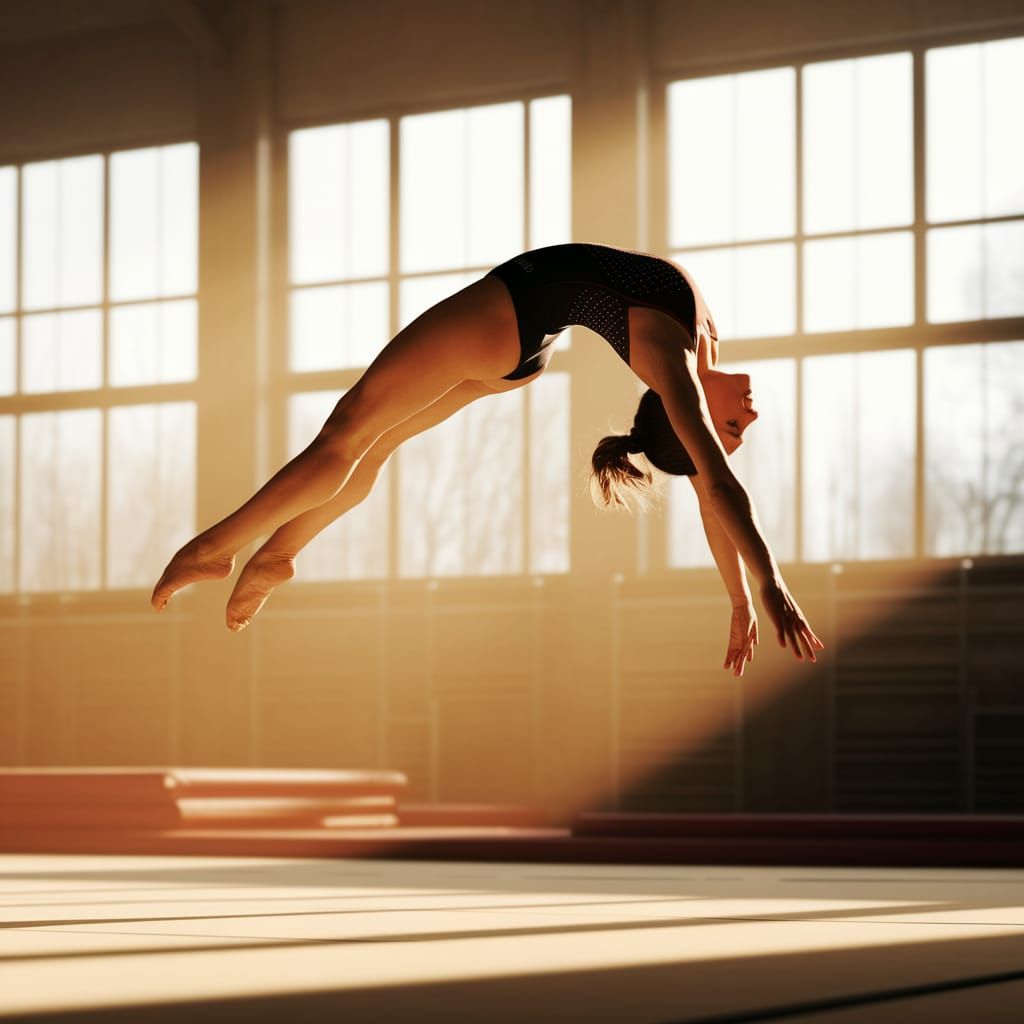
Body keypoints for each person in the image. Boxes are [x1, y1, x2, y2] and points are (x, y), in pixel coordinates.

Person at [151, 242, 823, 676]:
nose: (751, 415)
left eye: (729, 425)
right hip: (524, 342)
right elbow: (713, 489)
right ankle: (278, 554)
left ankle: (218, 545)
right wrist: (739, 599)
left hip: (511, 316)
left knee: (347, 429)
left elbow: (720, 490)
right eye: (737, 425)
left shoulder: (669, 357)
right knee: (379, 443)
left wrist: (764, 586)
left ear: (691, 415)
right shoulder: (699, 340)